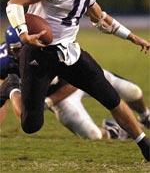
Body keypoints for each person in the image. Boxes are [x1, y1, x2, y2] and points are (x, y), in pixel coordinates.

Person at [5, 0, 150, 160]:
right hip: (39, 51)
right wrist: (23, 34)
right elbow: (14, 3)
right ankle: (13, 86)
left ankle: (145, 145)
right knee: (30, 125)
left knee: (110, 97)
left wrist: (132, 36)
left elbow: (100, 18)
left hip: (69, 52)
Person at [1, 26, 150, 140]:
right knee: (93, 135)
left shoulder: (52, 45)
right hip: (61, 101)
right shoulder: (5, 63)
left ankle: (145, 116)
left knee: (132, 91)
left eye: (24, 47)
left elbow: (75, 79)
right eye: (16, 50)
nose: (21, 54)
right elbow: (8, 95)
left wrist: (48, 101)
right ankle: (113, 130)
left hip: (76, 80)